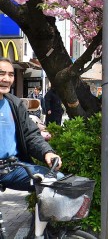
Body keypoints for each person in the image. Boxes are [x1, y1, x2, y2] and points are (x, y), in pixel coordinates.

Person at [0, 57, 62, 191]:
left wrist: (47, 152)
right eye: (1, 73)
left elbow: (30, 135)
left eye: (10, 74)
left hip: (11, 169)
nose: (6, 79)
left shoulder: (15, 104)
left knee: (55, 180)